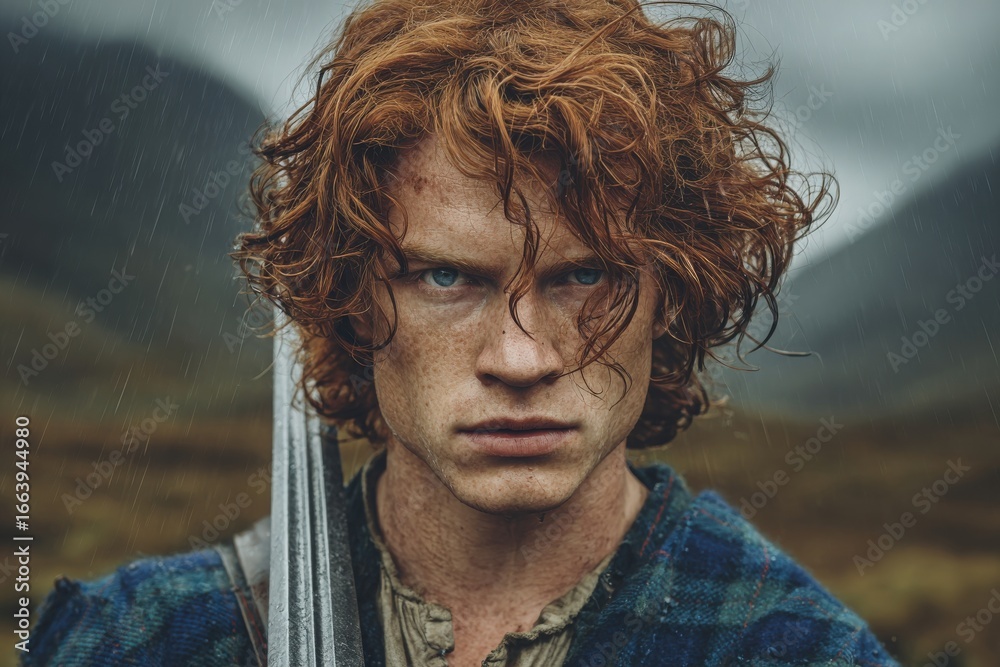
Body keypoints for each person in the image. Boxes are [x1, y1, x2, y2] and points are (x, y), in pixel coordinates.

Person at [23, 1, 902, 665]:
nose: (521, 358)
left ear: (671, 295)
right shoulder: (131, 641)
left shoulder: (798, 649)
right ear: (353, 299)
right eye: (447, 276)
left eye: (584, 276)